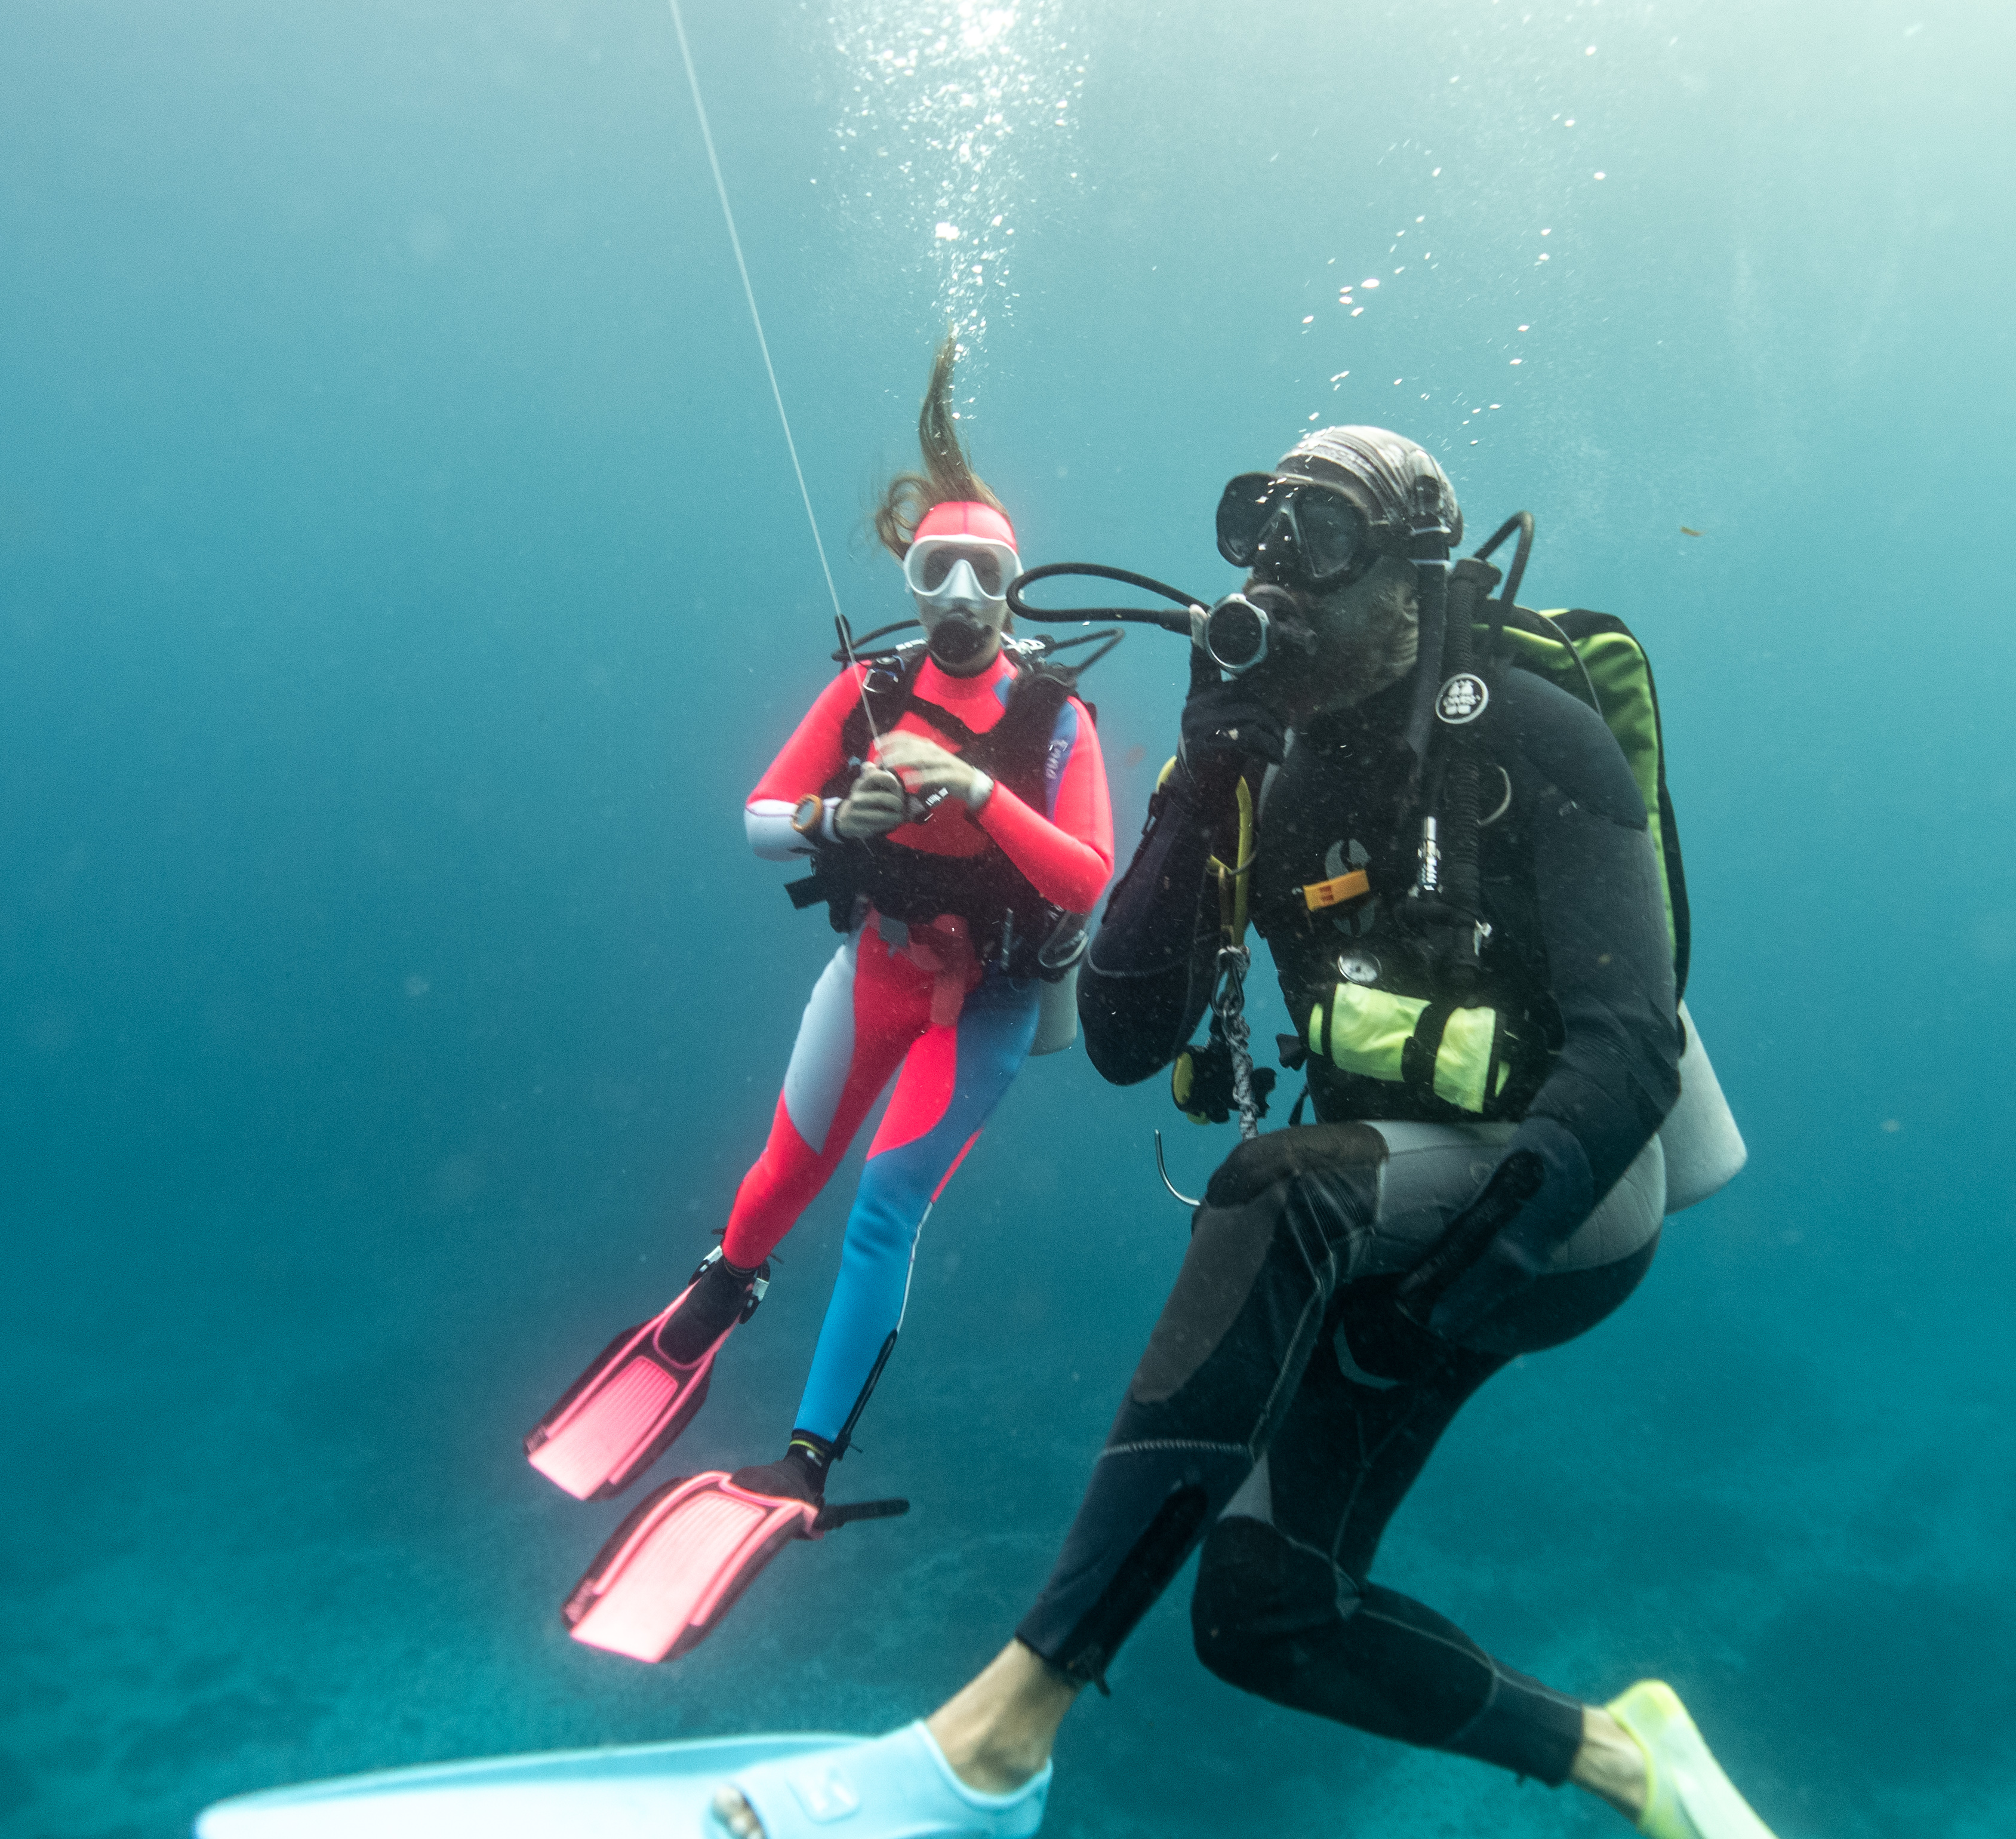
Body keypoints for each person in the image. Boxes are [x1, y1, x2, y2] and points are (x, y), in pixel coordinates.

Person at [699, 426, 1780, 1836]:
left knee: (1271, 1187)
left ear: (1410, 578)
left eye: (1317, 548)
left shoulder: (1526, 735)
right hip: (1387, 1210)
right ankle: (1634, 1760)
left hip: (1571, 1205)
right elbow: (1128, 1038)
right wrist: (1207, 783)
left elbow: (1631, 1049)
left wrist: (1458, 1289)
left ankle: (995, 1741)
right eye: (1259, 540)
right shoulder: (1258, 766)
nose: (1276, 585)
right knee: (1268, 1615)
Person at [522, 342, 1114, 1657]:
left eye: (986, 576)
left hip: (985, 1005)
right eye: (934, 573)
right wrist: (829, 811)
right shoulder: (869, 688)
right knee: (785, 1167)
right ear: (909, 578)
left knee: (884, 1206)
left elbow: (1088, 872)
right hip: (876, 970)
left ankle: (804, 1458)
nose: (959, 599)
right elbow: (754, 823)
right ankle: (718, 1294)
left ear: (1016, 589)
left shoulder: (1056, 721)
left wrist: (977, 793)